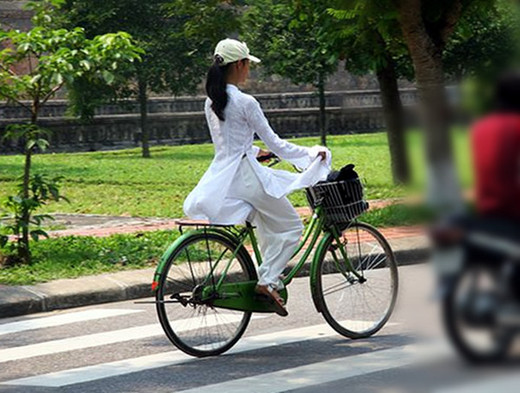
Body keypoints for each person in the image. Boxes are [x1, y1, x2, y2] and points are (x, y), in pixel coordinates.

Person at [183, 38, 331, 316]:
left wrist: (254, 151)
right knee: (291, 227)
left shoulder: (212, 101)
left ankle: (266, 275)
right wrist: (312, 154)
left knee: (268, 224)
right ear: (240, 64)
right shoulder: (245, 101)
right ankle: (267, 281)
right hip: (249, 179)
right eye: (248, 64)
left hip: (225, 178)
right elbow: (277, 145)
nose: (249, 69)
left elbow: (228, 143)